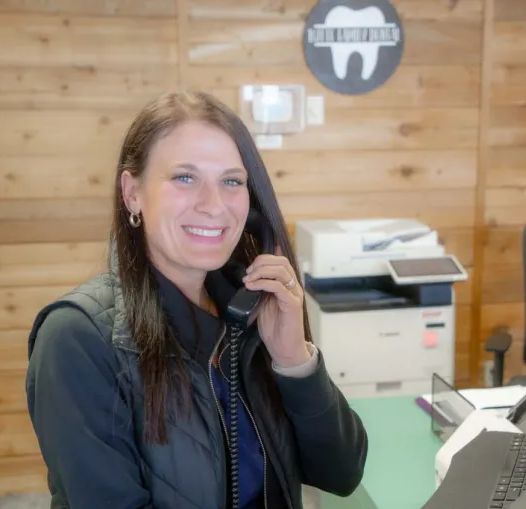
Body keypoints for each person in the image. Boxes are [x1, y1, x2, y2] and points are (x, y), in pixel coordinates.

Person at [24, 90, 369, 509]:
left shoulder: (249, 313)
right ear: (132, 193)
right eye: (185, 177)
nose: (214, 205)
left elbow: (342, 472)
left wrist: (295, 361)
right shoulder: (78, 338)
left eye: (231, 181)